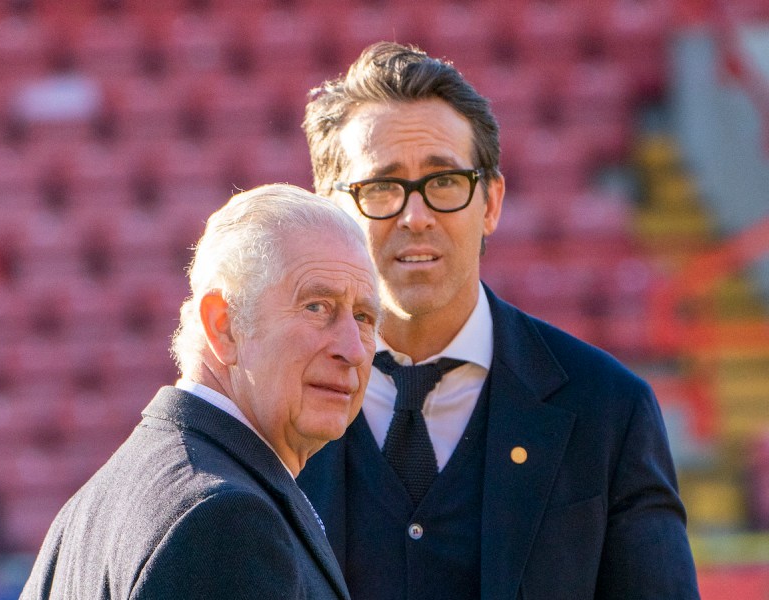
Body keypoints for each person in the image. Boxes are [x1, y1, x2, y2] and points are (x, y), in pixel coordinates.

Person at [296, 42, 700, 599]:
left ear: (490, 203)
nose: (416, 217)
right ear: (330, 211)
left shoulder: (609, 411)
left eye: (443, 182)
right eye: (382, 187)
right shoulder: (271, 407)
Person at [20, 184, 380, 599]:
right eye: (317, 307)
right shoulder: (225, 522)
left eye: (364, 317)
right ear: (223, 325)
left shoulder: (90, 508)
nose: (353, 349)